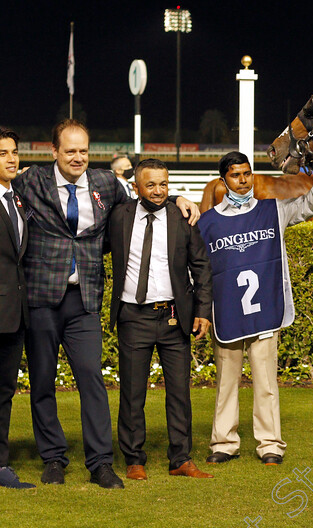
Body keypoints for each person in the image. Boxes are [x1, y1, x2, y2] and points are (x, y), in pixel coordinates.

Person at [11, 119, 199, 489]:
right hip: (40, 300)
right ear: (54, 152)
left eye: (83, 150)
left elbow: (142, 203)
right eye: (70, 151)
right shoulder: (30, 181)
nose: (78, 157)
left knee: (92, 381)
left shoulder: (104, 183)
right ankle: (53, 459)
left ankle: (100, 463)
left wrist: (177, 198)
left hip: (84, 301)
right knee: (43, 384)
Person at [199, 151, 313, 465]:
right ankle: (224, 443)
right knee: (225, 384)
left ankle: (270, 444)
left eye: (247, 173)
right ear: (224, 180)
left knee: (266, 383)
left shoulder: (273, 210)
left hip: (265, 311)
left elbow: (308, 205)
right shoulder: (207, 223)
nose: (243, 180)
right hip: (226, 314)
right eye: (235, 175)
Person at [108, 158, 213, 480]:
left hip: (173, 318)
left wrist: (202, 312)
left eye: (163, 184)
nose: (157, 190)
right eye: (150, 184)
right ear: (137, 187)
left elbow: (201, 267)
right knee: (132, 394)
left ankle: (180, 459)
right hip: (132, 317)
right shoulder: (118, 216)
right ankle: (134, 459)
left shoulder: (182, 217)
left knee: (180, 393)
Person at [0, 129, 34, 489]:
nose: (11, 159)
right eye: (2, 153)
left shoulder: (18, 198)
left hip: (14, 314)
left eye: (14, 152)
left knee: (4, 392)